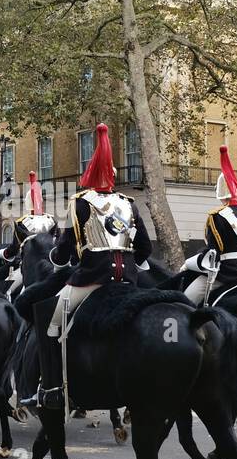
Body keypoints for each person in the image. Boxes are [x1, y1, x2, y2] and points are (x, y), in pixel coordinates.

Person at [25, 123, 151, 412]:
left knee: (52, 324)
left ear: (90, 175)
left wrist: (58, 261)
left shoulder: (79, 203)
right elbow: (145, 248)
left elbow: (65, 248)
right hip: (129, 281)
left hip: (91, 280)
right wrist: (132, 267)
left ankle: (51, 388)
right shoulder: (128, 204)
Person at [181, 145, 237, 304]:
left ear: (219, 193)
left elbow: (212, 254)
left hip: (226, 274)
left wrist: (189, 263)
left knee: (187, 299)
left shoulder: (216, 217)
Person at [0, 173, 56, 299]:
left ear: (27, 203)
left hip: (30, 270)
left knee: (5, 291)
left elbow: (13, 250)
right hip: (53, 269)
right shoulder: (52, 220)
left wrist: (2, 254)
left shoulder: (22, 223)